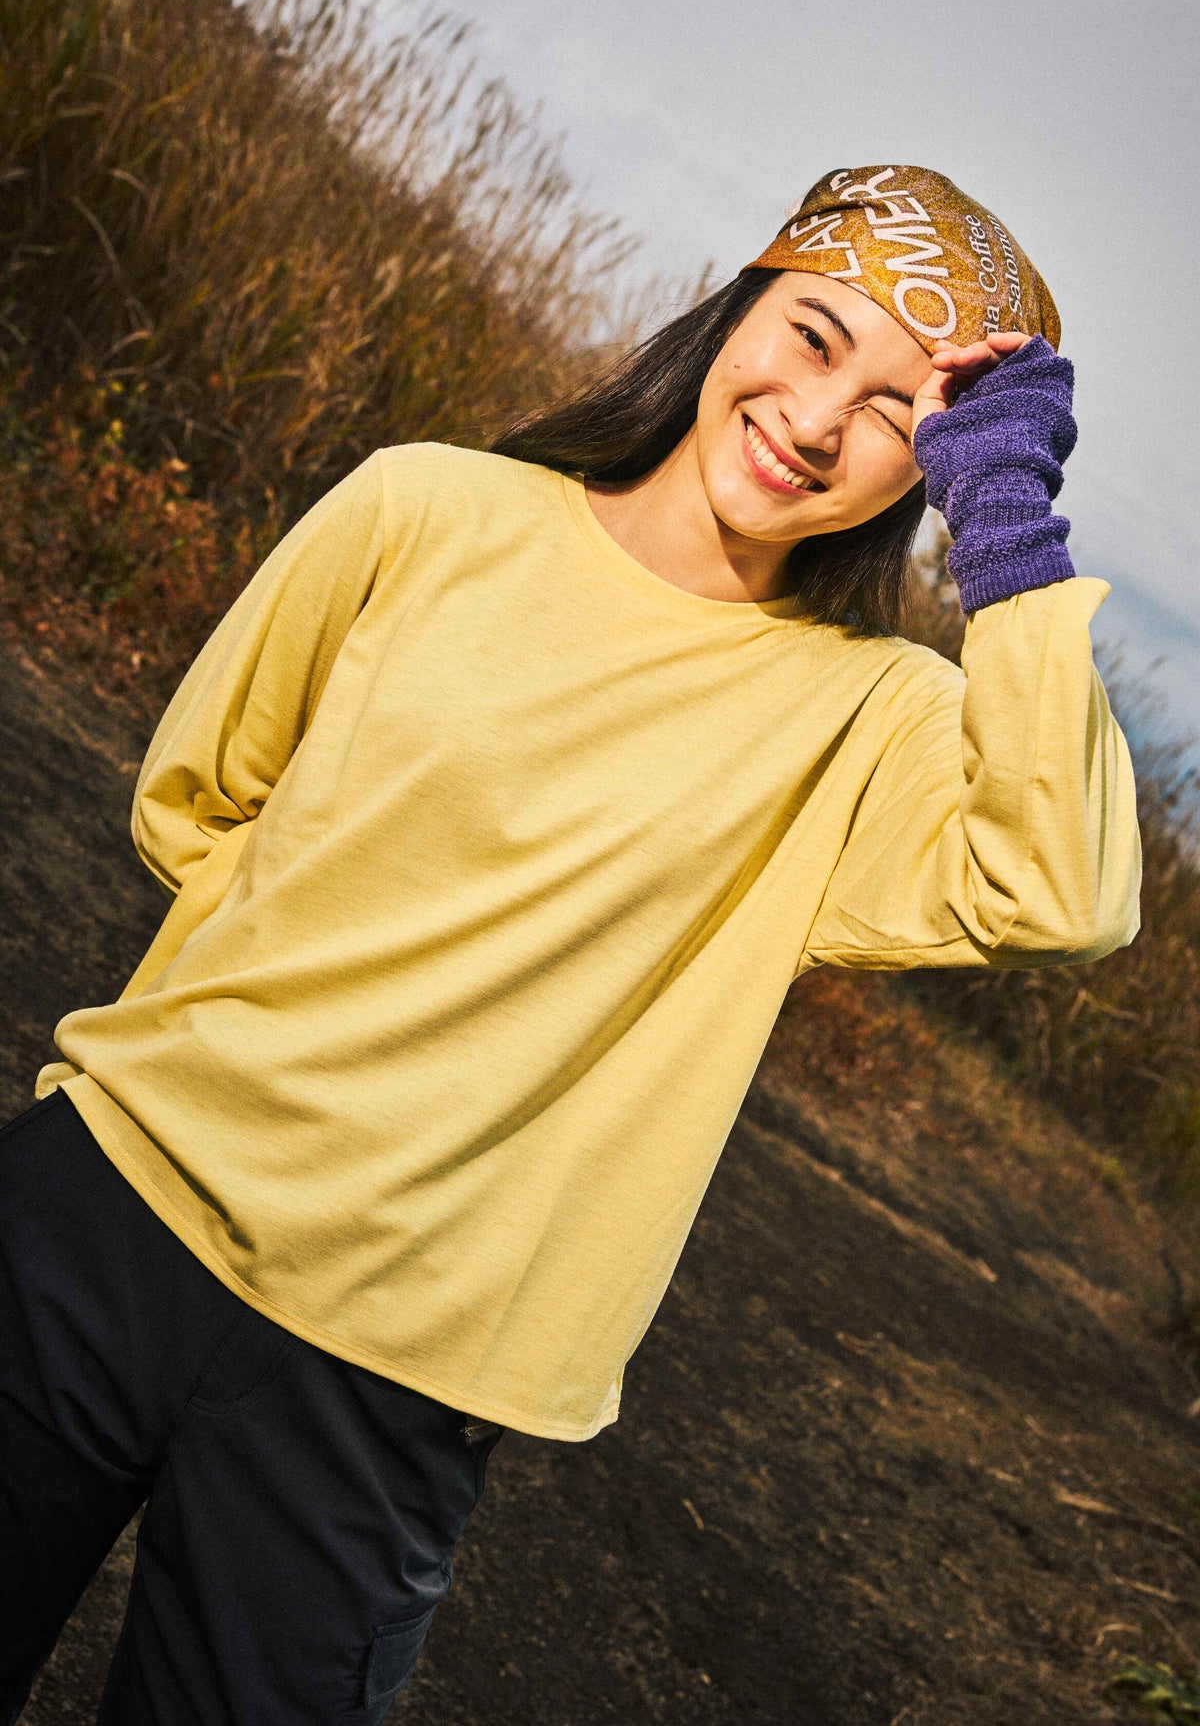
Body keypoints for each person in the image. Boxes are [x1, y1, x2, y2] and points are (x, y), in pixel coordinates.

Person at [0, 165, 1141, 1723]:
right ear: (739, 306)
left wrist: (1007, 525)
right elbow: (199, 799)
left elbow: (1061, 892)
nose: (817, 421)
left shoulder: (872, 721)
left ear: (931, 467)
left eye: (896, 413)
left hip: (390, 1388)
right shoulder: (426, 506)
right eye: (811, 337)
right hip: (103, 1214)